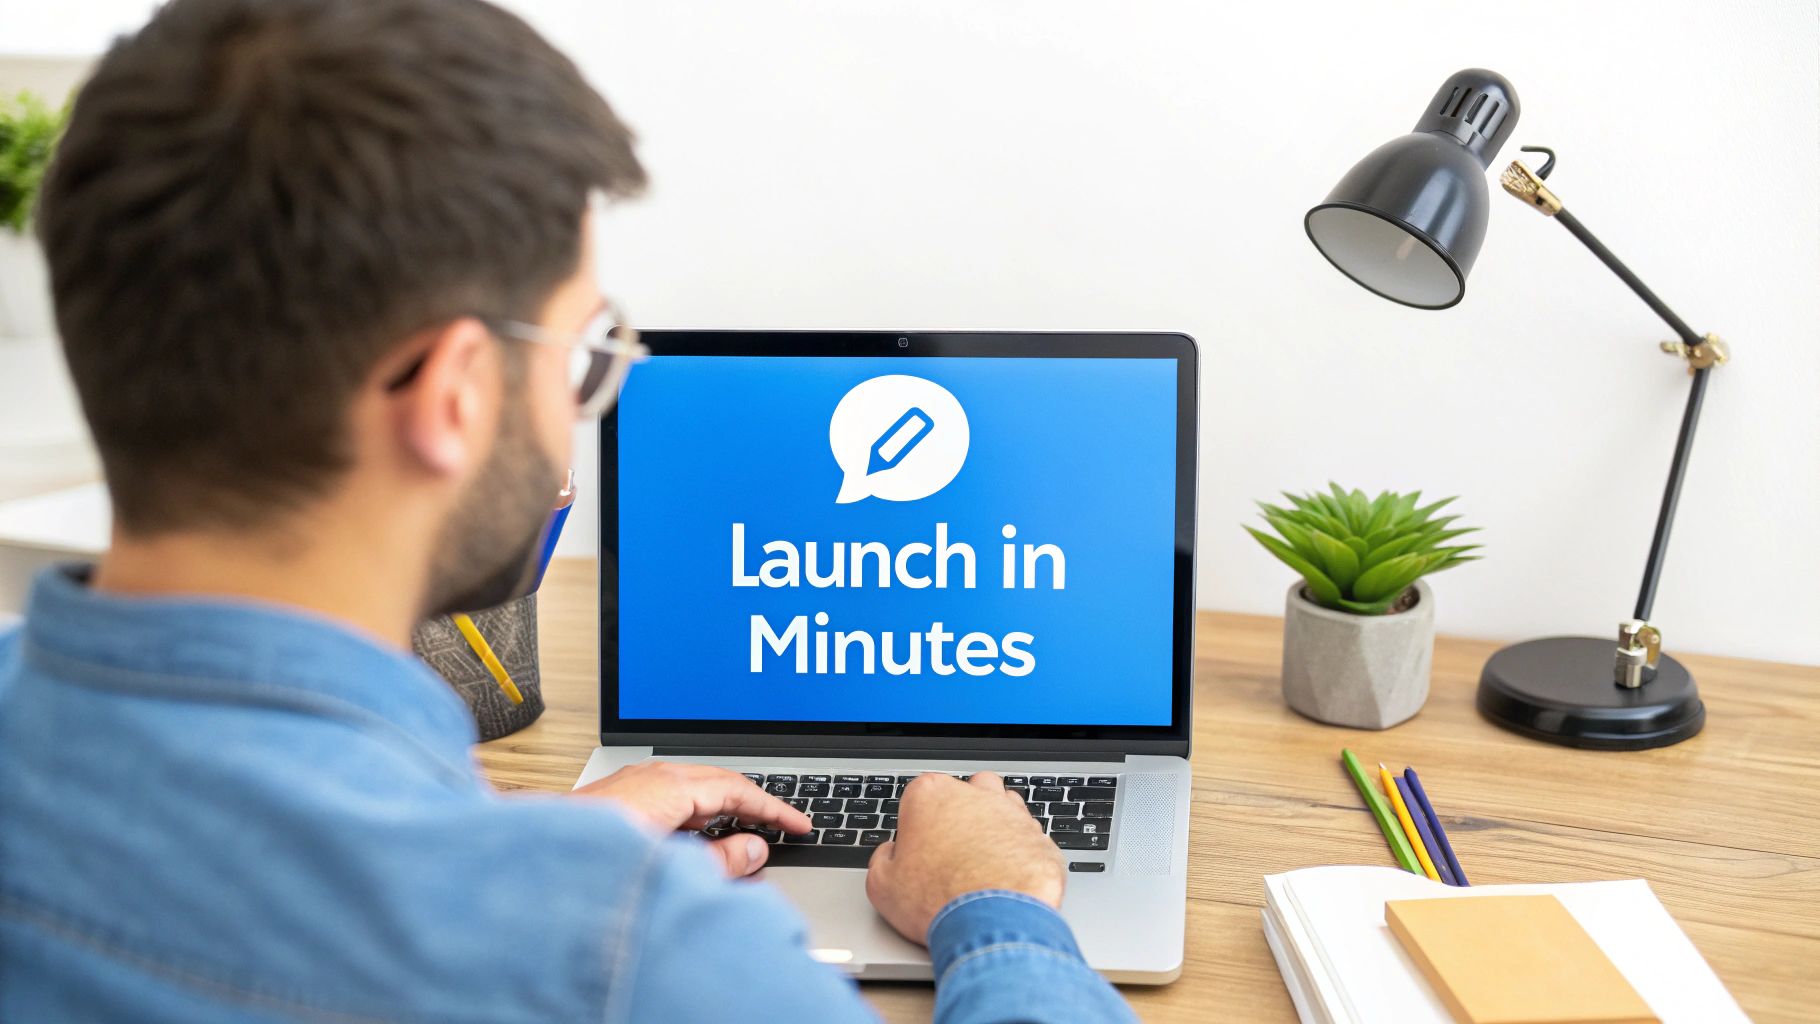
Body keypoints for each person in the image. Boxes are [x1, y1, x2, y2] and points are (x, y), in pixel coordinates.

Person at [0, 1, 1140, 1021]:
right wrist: (996, 909)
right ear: (452, 394)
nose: (586, 402)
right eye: (585, 352)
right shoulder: (636, 960)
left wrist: (520, 850)